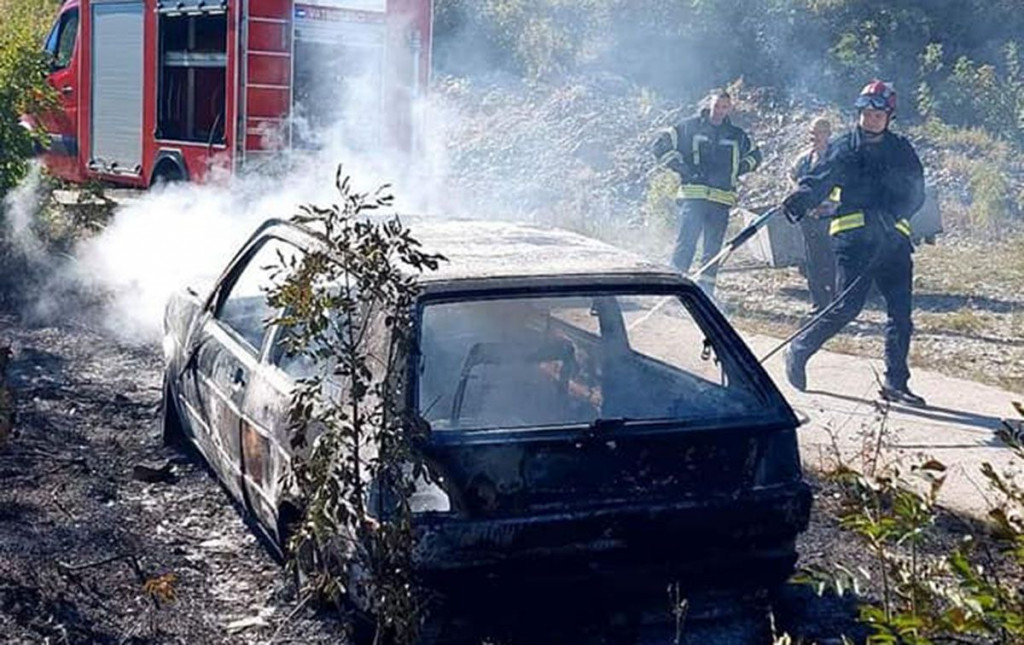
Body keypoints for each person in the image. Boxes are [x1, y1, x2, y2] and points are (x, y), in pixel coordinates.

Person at [782, 80, 927, 406]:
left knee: (900, 314)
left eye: (879, 113)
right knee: (847, 307)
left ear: (889, 115)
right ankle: (799, 349)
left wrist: (896, 213)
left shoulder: (901, 149)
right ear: (859, 112)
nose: (872, 118)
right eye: (867, 112)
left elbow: (917, 192)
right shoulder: (844, 147)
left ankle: (896, 383)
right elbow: (819, 180)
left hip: (893, 241)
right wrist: (801, 197)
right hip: (853, 241)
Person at [653, 90, 762, 295]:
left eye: (724, 107)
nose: (720, 111)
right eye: (717, 106)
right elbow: (660, 146)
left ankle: (705, 294)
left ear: (729, 108)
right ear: (709, 106)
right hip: (694, 197)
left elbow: (756, 155)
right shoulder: (689, 127)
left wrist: (739, 168)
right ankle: (673, 290)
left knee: (712, 251)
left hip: (721, 201)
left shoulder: (737, 135)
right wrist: (682, 168)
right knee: (686, 244)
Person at [789, 116, 838, 313]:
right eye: (811, 133)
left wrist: (831, 205)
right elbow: (792, 177)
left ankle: (836, 301)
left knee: (832, 261)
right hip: (809, 218)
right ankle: (818, 302)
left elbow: (842, 188)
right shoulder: (804, 159)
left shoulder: (836, 159)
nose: (813, 137)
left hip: (831, 217)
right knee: (813, 261)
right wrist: (797, 194)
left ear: (828, 134)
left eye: (818, 133)